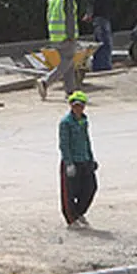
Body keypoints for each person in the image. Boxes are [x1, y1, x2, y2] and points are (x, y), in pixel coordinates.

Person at [59, 90, 98, 228]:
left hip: (84, 160)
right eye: (75, 105)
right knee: (69, 192)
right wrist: (69, 163)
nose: (78, 108)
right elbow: (64, 144)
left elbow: (87, 141)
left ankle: (79, 213)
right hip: (72, 161)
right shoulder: (66, 123)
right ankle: (71, 219)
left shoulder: (84, 121)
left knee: (90, 187)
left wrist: (91, 158)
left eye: (81, 105)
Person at [38, 0, 78, 100]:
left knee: (68, 64)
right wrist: (71, 36)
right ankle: (46, 81)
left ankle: (70, 91)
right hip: (65, 36)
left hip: (55, 36)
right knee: (67, 62)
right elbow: (69, 19)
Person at [85, 0, 116, 72]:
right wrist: (91, 13)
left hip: (102, 16)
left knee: (101, 42)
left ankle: (101, 65)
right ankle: (103, 66)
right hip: (101, 16)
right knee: (104, 42)